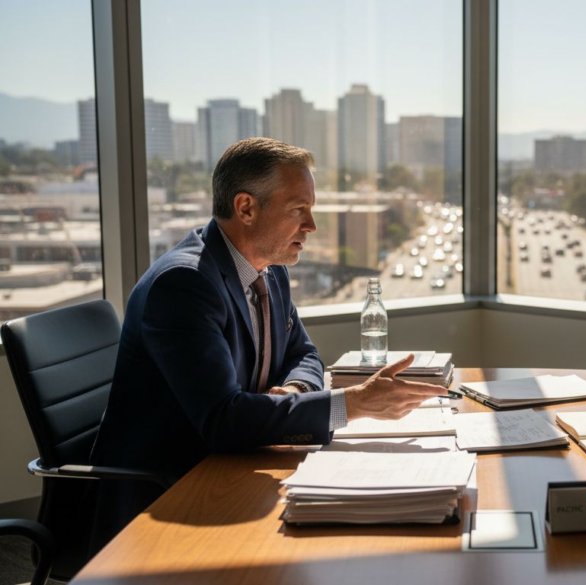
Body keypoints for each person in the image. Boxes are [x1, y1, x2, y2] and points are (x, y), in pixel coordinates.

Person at [90, 137, 447, 544]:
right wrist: (353, 404)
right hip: (170, 497)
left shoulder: (269, 269)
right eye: (299, 210)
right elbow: (223, 420)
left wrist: (293, 388)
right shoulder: (185, 285)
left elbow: (304, 353)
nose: (311, 226)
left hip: (237, 466)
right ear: (246, 207)